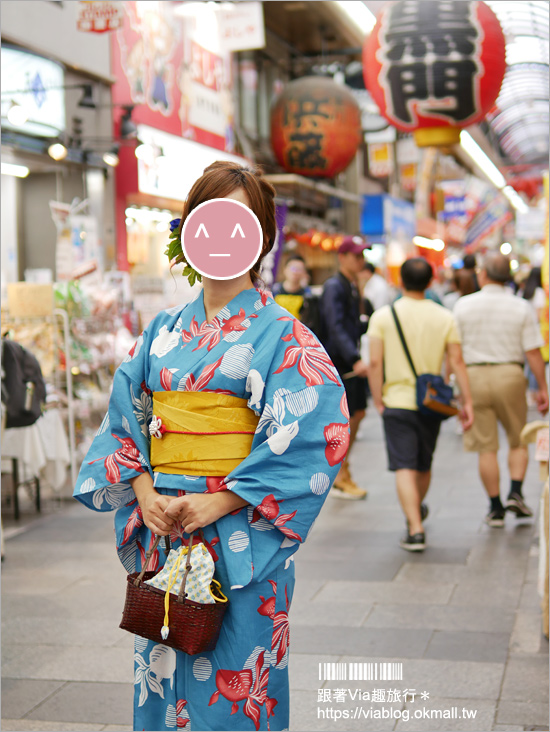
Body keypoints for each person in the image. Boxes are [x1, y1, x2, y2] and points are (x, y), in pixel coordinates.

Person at [73, 161, 348, 732]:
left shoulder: (284, 334)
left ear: (261, 236)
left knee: (238, 680)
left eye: (238, 221)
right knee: (162, 671)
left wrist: (217, 502)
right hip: (165, 533)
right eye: (209, 219)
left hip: (242, 534)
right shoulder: (162, 330)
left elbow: (310, 437)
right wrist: (144, 491)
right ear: (188, 231)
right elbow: (128, 418)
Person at [368, 257, 474, 551]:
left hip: (397, 401)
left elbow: (375, 362)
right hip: (432, 403)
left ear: (401, 281)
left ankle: (415, 529)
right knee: (423, 463)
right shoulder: (444, 317)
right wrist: (467, 401)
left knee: (404, 465)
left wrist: (378, 398)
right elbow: (457, 362)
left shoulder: (384, 317)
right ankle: (417, 513)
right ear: (430, 283)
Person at [453, 253, 549, 526]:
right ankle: (516, 493)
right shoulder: (520, 307)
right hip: (510, 374)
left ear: (482, 274)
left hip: (473, 375)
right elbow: (532, 352)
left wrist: (456, 385)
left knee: (486, 447)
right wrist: (542, 387)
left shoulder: (463, 306)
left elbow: (455, 351)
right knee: (518, 438)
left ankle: (495, 507)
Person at [320, 237, 370, 499]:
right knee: (346, 419)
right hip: (340, 365)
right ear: (343, 257)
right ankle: (339, 475)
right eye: (356, 256)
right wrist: (354, 358)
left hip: (348, 363)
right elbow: (335, 326)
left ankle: (342, 471)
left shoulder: (350, 285)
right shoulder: (335, 287)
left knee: (358, 413)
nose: (361, 260)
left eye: (362, 256)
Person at [271, 254, 311, 320]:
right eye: (293, 268)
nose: (295, 272)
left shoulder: (307, 295)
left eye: (299, 269)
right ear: (285, 269)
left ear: (304, 272)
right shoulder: (274, 292)